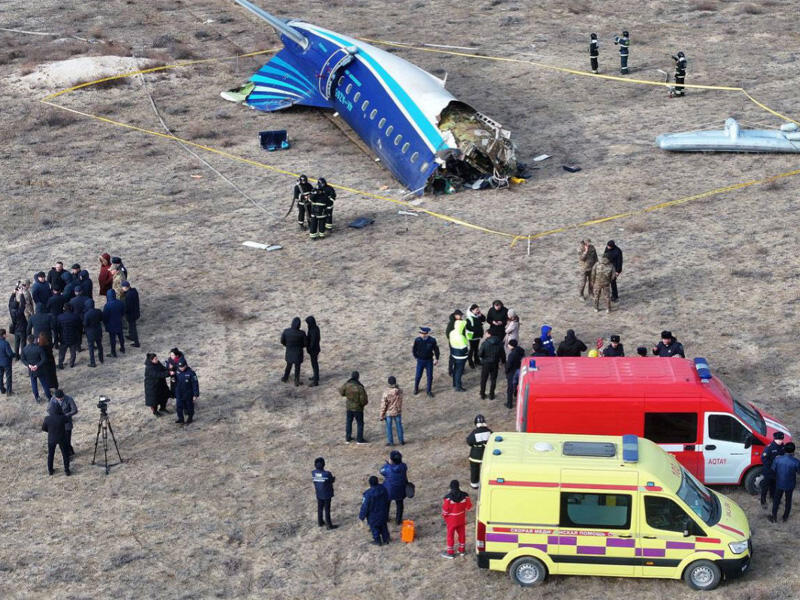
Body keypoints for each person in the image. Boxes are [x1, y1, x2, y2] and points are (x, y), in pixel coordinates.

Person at [441, 480, 473, 559]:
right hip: (461, 518)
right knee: (462, 534)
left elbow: (445, 510)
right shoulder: (465, 496)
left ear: (451, 487)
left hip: (451, 520)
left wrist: (445, 517)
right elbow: (469, 506)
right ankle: (462, 550)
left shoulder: (448, 498)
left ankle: (450, 552)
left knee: (450, 536)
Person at [770, 442, 800, 523]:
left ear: (784, 449)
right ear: (793, 451)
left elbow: (773, 469)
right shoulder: (796, 461)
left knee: (776, 500)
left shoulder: (777, 459)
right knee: (788, 501)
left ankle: (774, 517)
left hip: (779, 483)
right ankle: (785, 517)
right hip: (790, 485)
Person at [359, 475, 390, 546]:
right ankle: (386, 538)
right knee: (383, 526)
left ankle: (377, 541)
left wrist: (361, 517)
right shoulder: (383, 489)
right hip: (383, 513)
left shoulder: (368, 494)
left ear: (370, 484)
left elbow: (365, 507)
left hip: (373, 515)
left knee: (374, 528)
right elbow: (387, 499)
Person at [380, 450, 409, 525]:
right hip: (400, 490)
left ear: (391, 460)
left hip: (388, 490)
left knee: (386, 504)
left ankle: (385, 518)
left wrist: (388, 464)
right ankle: (398, 520)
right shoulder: (404, 466)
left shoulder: (387, 468)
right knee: (400, 505)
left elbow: (381, 471)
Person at [42, 401, 70, 476]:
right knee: (65, 454)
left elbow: (43, 428)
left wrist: (50, 431)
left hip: (51, 439)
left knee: (51, 454)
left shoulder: (47, 418)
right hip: (62, 438)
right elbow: (67, 420)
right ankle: (67, 470)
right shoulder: (62, 417)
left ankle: (50, 470)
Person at [340, 371, 368, 444]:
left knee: (349, 422)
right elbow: (363, 399)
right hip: (358, 408)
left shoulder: (347, 385)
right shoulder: (360, 387)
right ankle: (359, 439)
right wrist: (362, 405)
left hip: (349, 407)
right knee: (360, 423)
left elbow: (341, 392)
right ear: (358, 377)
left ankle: (348, 438)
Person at [412, 326, 439, 397]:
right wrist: (416, 357)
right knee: (418, 376)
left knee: (430, 376)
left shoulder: (432, 340)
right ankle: (416, 388)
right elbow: (414, 349)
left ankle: (429, 391)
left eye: (422, 333)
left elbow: (436, 349)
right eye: (420, 333)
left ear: (426, 334)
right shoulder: (417, 340)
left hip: (429, 361)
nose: (420, 334)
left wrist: (436, 358)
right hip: (420, 361)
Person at [761, 431, 785, 508]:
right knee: (765, 487)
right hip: (769, 471)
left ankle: (773, 497)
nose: (780, 441)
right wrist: (772, 466)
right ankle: (763, 501)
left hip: (778, 472)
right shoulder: (769, 447)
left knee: (774, 486)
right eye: (779, 440)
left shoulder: (782, 446)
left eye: (781, 440)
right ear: (775, 439)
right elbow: (764, 458)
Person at [312, 457, 338, 529]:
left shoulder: (313, 473)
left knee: (320, 508)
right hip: (326, 494)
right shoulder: (327, 474)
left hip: (319, 493)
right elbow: (331, 480)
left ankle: (320, 522)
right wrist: (333, 479)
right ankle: (329, 525)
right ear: (324, 464)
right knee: (327, 509)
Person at [22, 335, 50, 402]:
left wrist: (29, 365)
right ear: (34, 340)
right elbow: (44, 359)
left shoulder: (25, 349)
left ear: (28, 341)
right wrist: (37, 365)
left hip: (31, 370)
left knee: (34, 384)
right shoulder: (39, 348)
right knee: (44, 383)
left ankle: (37, 397)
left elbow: (23, 359)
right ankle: (49, 396)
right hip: (40, 369)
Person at [467, 415, 492, 489]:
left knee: (474, 470)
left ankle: (475, 484)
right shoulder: (489, 431)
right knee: (487, 470)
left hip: (475, 456)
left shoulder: (475, 432)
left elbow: (469, 441)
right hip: (486, 455)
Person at [280, 317, 306, 385]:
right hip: (298, 352)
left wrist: (287, 345)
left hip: (289, 351)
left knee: (288, 365)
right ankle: (296, 380)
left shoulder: (286, 331)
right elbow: (305, 343)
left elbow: (282, 341)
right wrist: (300, 346)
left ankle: (285, 378)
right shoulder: (302, 333)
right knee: (297, 367)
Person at [380, 376, 404, 446]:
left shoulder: (386, 392)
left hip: (389, 412)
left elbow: (383, 405)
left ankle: (391, 442)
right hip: (397, 411)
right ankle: (401, 440)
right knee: (399, 426)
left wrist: (382, 415)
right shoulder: (399, 391)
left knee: (389, 427)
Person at [144, 353, 171, 417]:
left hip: (161, 384)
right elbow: (158, 375)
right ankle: (155, 412)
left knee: (164, 396)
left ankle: (162, 408)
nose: (157, 360)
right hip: (152, 386)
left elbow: (163, 368)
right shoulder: (149, 367)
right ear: (151, 360)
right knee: (154, 400)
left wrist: (168, 369)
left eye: (157, 358)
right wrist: (168, 373)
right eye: (155, 359)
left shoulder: (157, 363)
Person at [52, 389, 78, 456]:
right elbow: (49, 409)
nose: (60, 400)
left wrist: (66, 415)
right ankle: (69, 452)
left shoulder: (69, 399)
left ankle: (68, 454)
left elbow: (74, 410)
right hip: (58, 423)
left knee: (67, 440)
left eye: (61, 398)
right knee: (62, 441)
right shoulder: (53, 399)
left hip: (67, 423)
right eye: (58, 399)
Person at [56, 304, 82, 369]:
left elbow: (57, 328)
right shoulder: (75, 316)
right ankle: (71, 363)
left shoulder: (60, 317)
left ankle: (60, 363)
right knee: (73, 352)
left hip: (63, 337)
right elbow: (79, 327)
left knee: (62, 352)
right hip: (73, 337)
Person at [174, 358, 199, 424]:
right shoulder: (177, 371)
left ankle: (190, 418)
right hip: (179, 393)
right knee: (179, 407)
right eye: (180, 367)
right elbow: (174, 379)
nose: (181, 368)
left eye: (182, 367)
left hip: (188, 394)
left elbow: (195, 384)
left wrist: (195, 394)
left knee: (189, 407)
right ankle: (181, 419)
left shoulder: (191, 373)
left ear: (186, 365)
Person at [478, 334, 503, 400]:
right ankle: (491, 395)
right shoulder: (500, 344)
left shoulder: (485, 343)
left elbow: (480, 354)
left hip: (486, 364)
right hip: (495, 363)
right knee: (493, 380)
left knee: (483, 379)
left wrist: (484, 358)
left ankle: (482, 394)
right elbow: (502, 354)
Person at [449, 313, 469, 392]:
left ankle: (454, 383)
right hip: (461, 357)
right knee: (459, 372)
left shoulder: (452, 333)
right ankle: (458, 387)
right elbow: (464, 348)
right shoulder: (461, 336)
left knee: (455, 370)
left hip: (454, 354)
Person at [102, 289, 125, 357]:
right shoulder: (120, 303)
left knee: (112, 339)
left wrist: (105, 323)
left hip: (111, 324)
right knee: (121, 336)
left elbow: (105, 316)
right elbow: (123, 312)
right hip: (119, 322)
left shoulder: (107, 305)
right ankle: (122, 348)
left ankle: (113, 352)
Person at [83, 299, 104, 367]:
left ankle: (93, 362)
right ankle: (101, 358)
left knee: (91, 348)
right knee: (99, 345)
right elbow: (101, 319)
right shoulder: (98, 311)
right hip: (98, 330)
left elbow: (85, 324)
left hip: (90, 332)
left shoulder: (87, 314)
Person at [505, 339, 524, 409]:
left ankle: (509, 404)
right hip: (520, 369)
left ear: (511, 346)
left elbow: (509, 365)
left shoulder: (511, 355)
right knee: (518, 384)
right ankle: (516, 394)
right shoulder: (521, 350)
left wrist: (506, 371)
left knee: (510, 388)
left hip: (513, 372)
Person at [9, 287, 27, 358]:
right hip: (22, 329)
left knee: (17, 343)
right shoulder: (19, 312)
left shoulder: (11, 310)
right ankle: (23, 355)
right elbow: (23, 304)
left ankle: (17, 356)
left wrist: (13, 293)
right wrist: (21, 294)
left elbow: (10, 302)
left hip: (16, 329)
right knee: (23, 343)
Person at [465, 304, 485, 369]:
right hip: (472, 337)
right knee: (471, 350)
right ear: (472, 310)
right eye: (476, 310)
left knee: (476, 349)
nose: (478, 311)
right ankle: (471, 362)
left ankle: (477, 361)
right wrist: (478, 329)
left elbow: (484, 319)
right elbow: (468, 327)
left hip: (477, 336)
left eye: (478, 309)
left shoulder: (477, 316)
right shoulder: (469, 318)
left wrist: (480, 315)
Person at [121, 281, 140, 347]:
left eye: (122, 287)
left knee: (133, 328)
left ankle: (136, 343)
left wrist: (123, 311)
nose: (122, 288)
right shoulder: (134, 291)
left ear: (126, 287)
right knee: (131, 326)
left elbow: (128, 307)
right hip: (135, 312)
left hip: (131, 314)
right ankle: (131, 336)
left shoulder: (129, 295)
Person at [304, 315, 320, 386]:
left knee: (314, 364)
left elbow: (313, 341)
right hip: (316, 349)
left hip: (313, 350)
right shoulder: (315, 328)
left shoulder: (313, 330)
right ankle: (316, 377)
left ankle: (315, 381)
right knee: (314, 364)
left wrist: (309, 348)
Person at [0, 329, 14, 395]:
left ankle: (2, 389)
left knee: (0, 376)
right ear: (4, 335)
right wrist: (15, 354)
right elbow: (10, 354)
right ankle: (9, 391)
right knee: (8, 377)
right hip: (6, 362)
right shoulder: (5, 343)